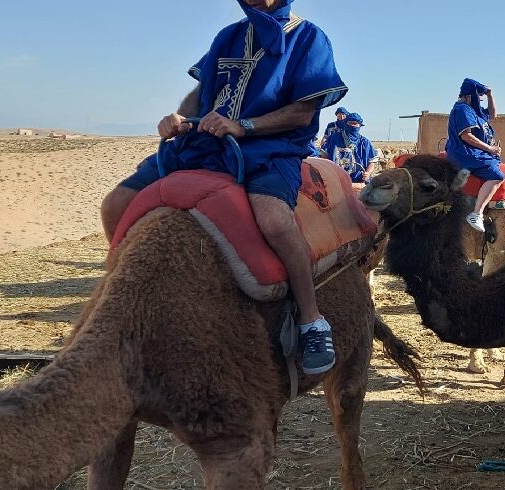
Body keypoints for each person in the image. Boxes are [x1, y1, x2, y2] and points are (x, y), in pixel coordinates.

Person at [99, 0, 347, 375]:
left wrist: (244, 126)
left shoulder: (309, 38)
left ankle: (311, 320)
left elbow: (303, 112)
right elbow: (199, 96)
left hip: (270, 148)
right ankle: (121, 296)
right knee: (116, 204)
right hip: (204, 142)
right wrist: (180, 117)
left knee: (274, 220)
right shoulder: (229, 36)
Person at [445, 78, 503, 233]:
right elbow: (466, 136)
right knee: (497, 176)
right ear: (470, 95)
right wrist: (490, 149)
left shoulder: (474, 111)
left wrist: (490, 95)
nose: (481, 100)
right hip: (465, 153)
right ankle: (476, 213)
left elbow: (493, 115)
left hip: (476, 151)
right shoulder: (462, 109)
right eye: (480, 96)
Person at [322, 112, 378, 185]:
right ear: (345, 124)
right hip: (335, 181)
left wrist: (368, 173)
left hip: (358, 182)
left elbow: (371, 161)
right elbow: (323, 156)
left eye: (355, 124)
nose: (352, 125)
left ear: (360, 126)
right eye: (350, 123)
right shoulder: (333, 138)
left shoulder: (365, 143)